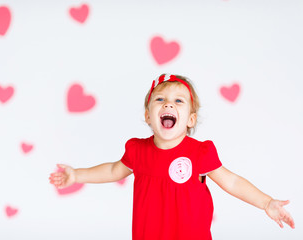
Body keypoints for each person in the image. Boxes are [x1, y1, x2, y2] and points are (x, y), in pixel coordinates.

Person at [49, 74, 295, 239]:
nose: (168, 105)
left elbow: (231, 182)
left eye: (178, 101)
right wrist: (76, 175)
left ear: (190, 119)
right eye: (160, 100)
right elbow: (113, 170)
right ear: (148, 116)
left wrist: (266, 202)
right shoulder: (138, 151)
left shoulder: (200, 153)